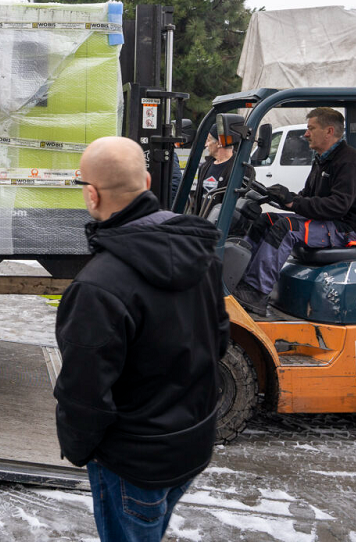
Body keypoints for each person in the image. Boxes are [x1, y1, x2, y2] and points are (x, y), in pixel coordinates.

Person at [54, 136, 227, 542]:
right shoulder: (201, 253)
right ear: (147, 181)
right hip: (191, 446)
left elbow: (84, 393)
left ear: (92, 195)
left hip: (133, 463)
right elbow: (218, 341)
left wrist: (80, 449)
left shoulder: (97, 286)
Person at [232, 107, 356, 316]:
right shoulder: (323, 159)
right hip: (329, 223)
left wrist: (294, 203)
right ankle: (240, 279)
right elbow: (307, 196)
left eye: (310, 128)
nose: (306, 134)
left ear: (329, 131)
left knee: (286, 228)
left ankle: (257, 293)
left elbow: (338, 206)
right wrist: (284, 196)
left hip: (347, 228)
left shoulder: (349, 161)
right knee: (265, 219)